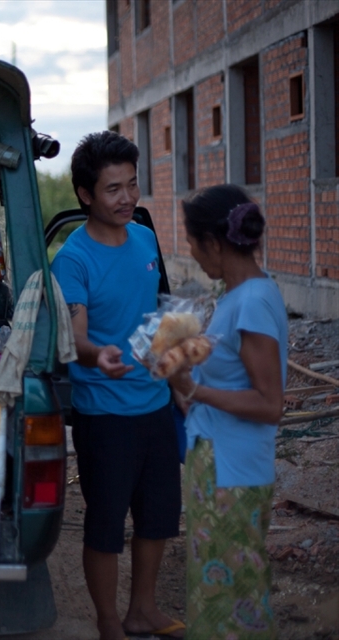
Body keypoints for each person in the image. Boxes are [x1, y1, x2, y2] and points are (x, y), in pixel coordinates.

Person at [51, 131, 184, 640]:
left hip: (154, 402)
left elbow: (155, 317)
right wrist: (96, 355)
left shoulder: (146, 240)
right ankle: (109, 622)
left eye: (132, 185)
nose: (127, 198)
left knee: (158, 517)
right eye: (113, 189)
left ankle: (142, 609)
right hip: (103, 411)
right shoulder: (73, 259)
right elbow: (77, 337)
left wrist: (179, 363)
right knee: (106, 524)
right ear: (86, 194)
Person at [168, 185, 286, 639]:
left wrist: (196, 389)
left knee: (235, 597)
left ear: (215, 243)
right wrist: (184, 384)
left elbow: (269, 404)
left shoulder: (253, 300)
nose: (193, 254)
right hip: (219, 464)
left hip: (233, 471)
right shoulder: (241, 293)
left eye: (194, 243)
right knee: (223, 592)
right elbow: (231, 378)